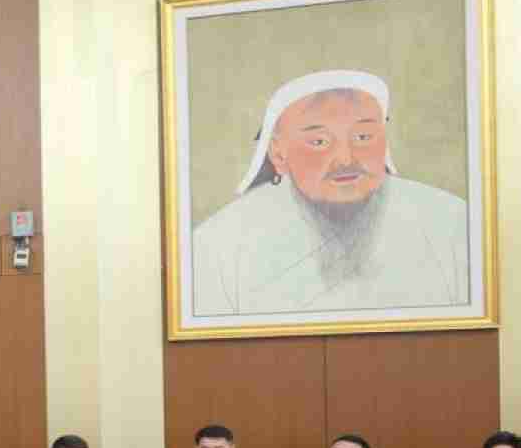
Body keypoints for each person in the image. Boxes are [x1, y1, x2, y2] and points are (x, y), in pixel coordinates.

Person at [190, 71, 473, 319]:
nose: (345, 159)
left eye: (363, 137)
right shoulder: (219, 244)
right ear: (278, 153)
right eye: (319, 141)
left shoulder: (452, 223)